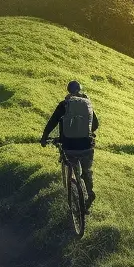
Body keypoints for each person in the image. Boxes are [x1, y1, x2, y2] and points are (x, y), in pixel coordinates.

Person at [41, 79, 99, 210]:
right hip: (87, 146)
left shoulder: (64, 104)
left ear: (68, 91)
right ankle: (89, 192)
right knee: (87, 171)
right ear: (80, 90)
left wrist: (44, 138)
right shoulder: (87, 104)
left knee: (70, 164)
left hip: (69, 147)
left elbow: (52, 122)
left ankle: (72, 187)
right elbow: (95, 125)